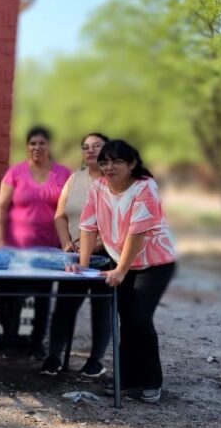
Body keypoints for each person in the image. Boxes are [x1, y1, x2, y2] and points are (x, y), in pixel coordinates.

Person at [73, 139, 177, 403]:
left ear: (131, 164)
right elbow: (88, 227)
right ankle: (127, 379)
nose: (109, 166)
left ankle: (152, 380)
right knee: (127, 321)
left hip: (154, 263)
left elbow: (137, 231)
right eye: (105, 161)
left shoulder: (145, 187)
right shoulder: (98, 188)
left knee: (140, 319)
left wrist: (120, 269)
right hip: (122, 261)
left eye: (117, 161)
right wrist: (83, 265)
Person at [0, 126, 71, 359]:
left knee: (43, 297)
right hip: (16, 248)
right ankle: (11, 341)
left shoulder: (63, 174)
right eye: (32, 143)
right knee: (12, 296)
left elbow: (70, 209)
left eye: (42, 143)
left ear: (49, 146)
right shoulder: (15, 173)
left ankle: (37, 343)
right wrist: (0, 242)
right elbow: (2, 208)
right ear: (27, 147)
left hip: (49, 247)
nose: (37, 147)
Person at [41, 133, 113, 376]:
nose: (90, 150)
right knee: (64, 305)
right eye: (85, 147)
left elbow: (119, 223)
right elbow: (60, 215)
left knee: (101, 307)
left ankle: (96, 361)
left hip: (106, 255)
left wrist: (93, 246)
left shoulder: (114, 181)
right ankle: (54, 357)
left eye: (97, 146)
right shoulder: (75, 179)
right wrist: (66, 245)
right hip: (73, 255)